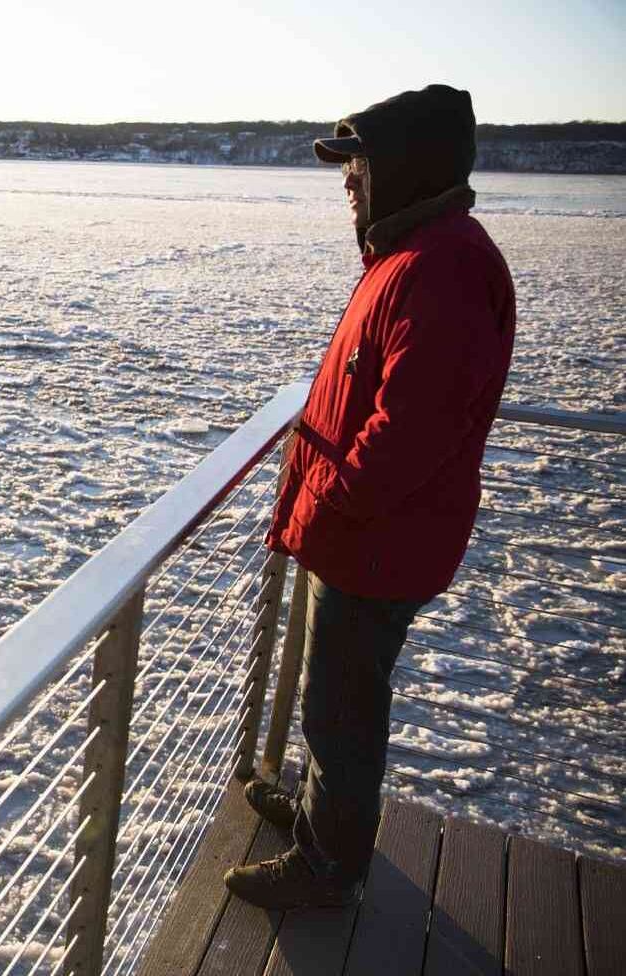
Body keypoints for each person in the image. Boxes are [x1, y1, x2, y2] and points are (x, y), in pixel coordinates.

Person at [223, 84, 516, 909]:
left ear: (406, 170)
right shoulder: (415, 253)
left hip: (375, 541)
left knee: (343, 708)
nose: (349, 181)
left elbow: (407, 431)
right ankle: (322, 815)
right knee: (334, 695)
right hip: (366, 533)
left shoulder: (444, 267)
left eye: (361, 166)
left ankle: (327, 866)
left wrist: (331, 502)